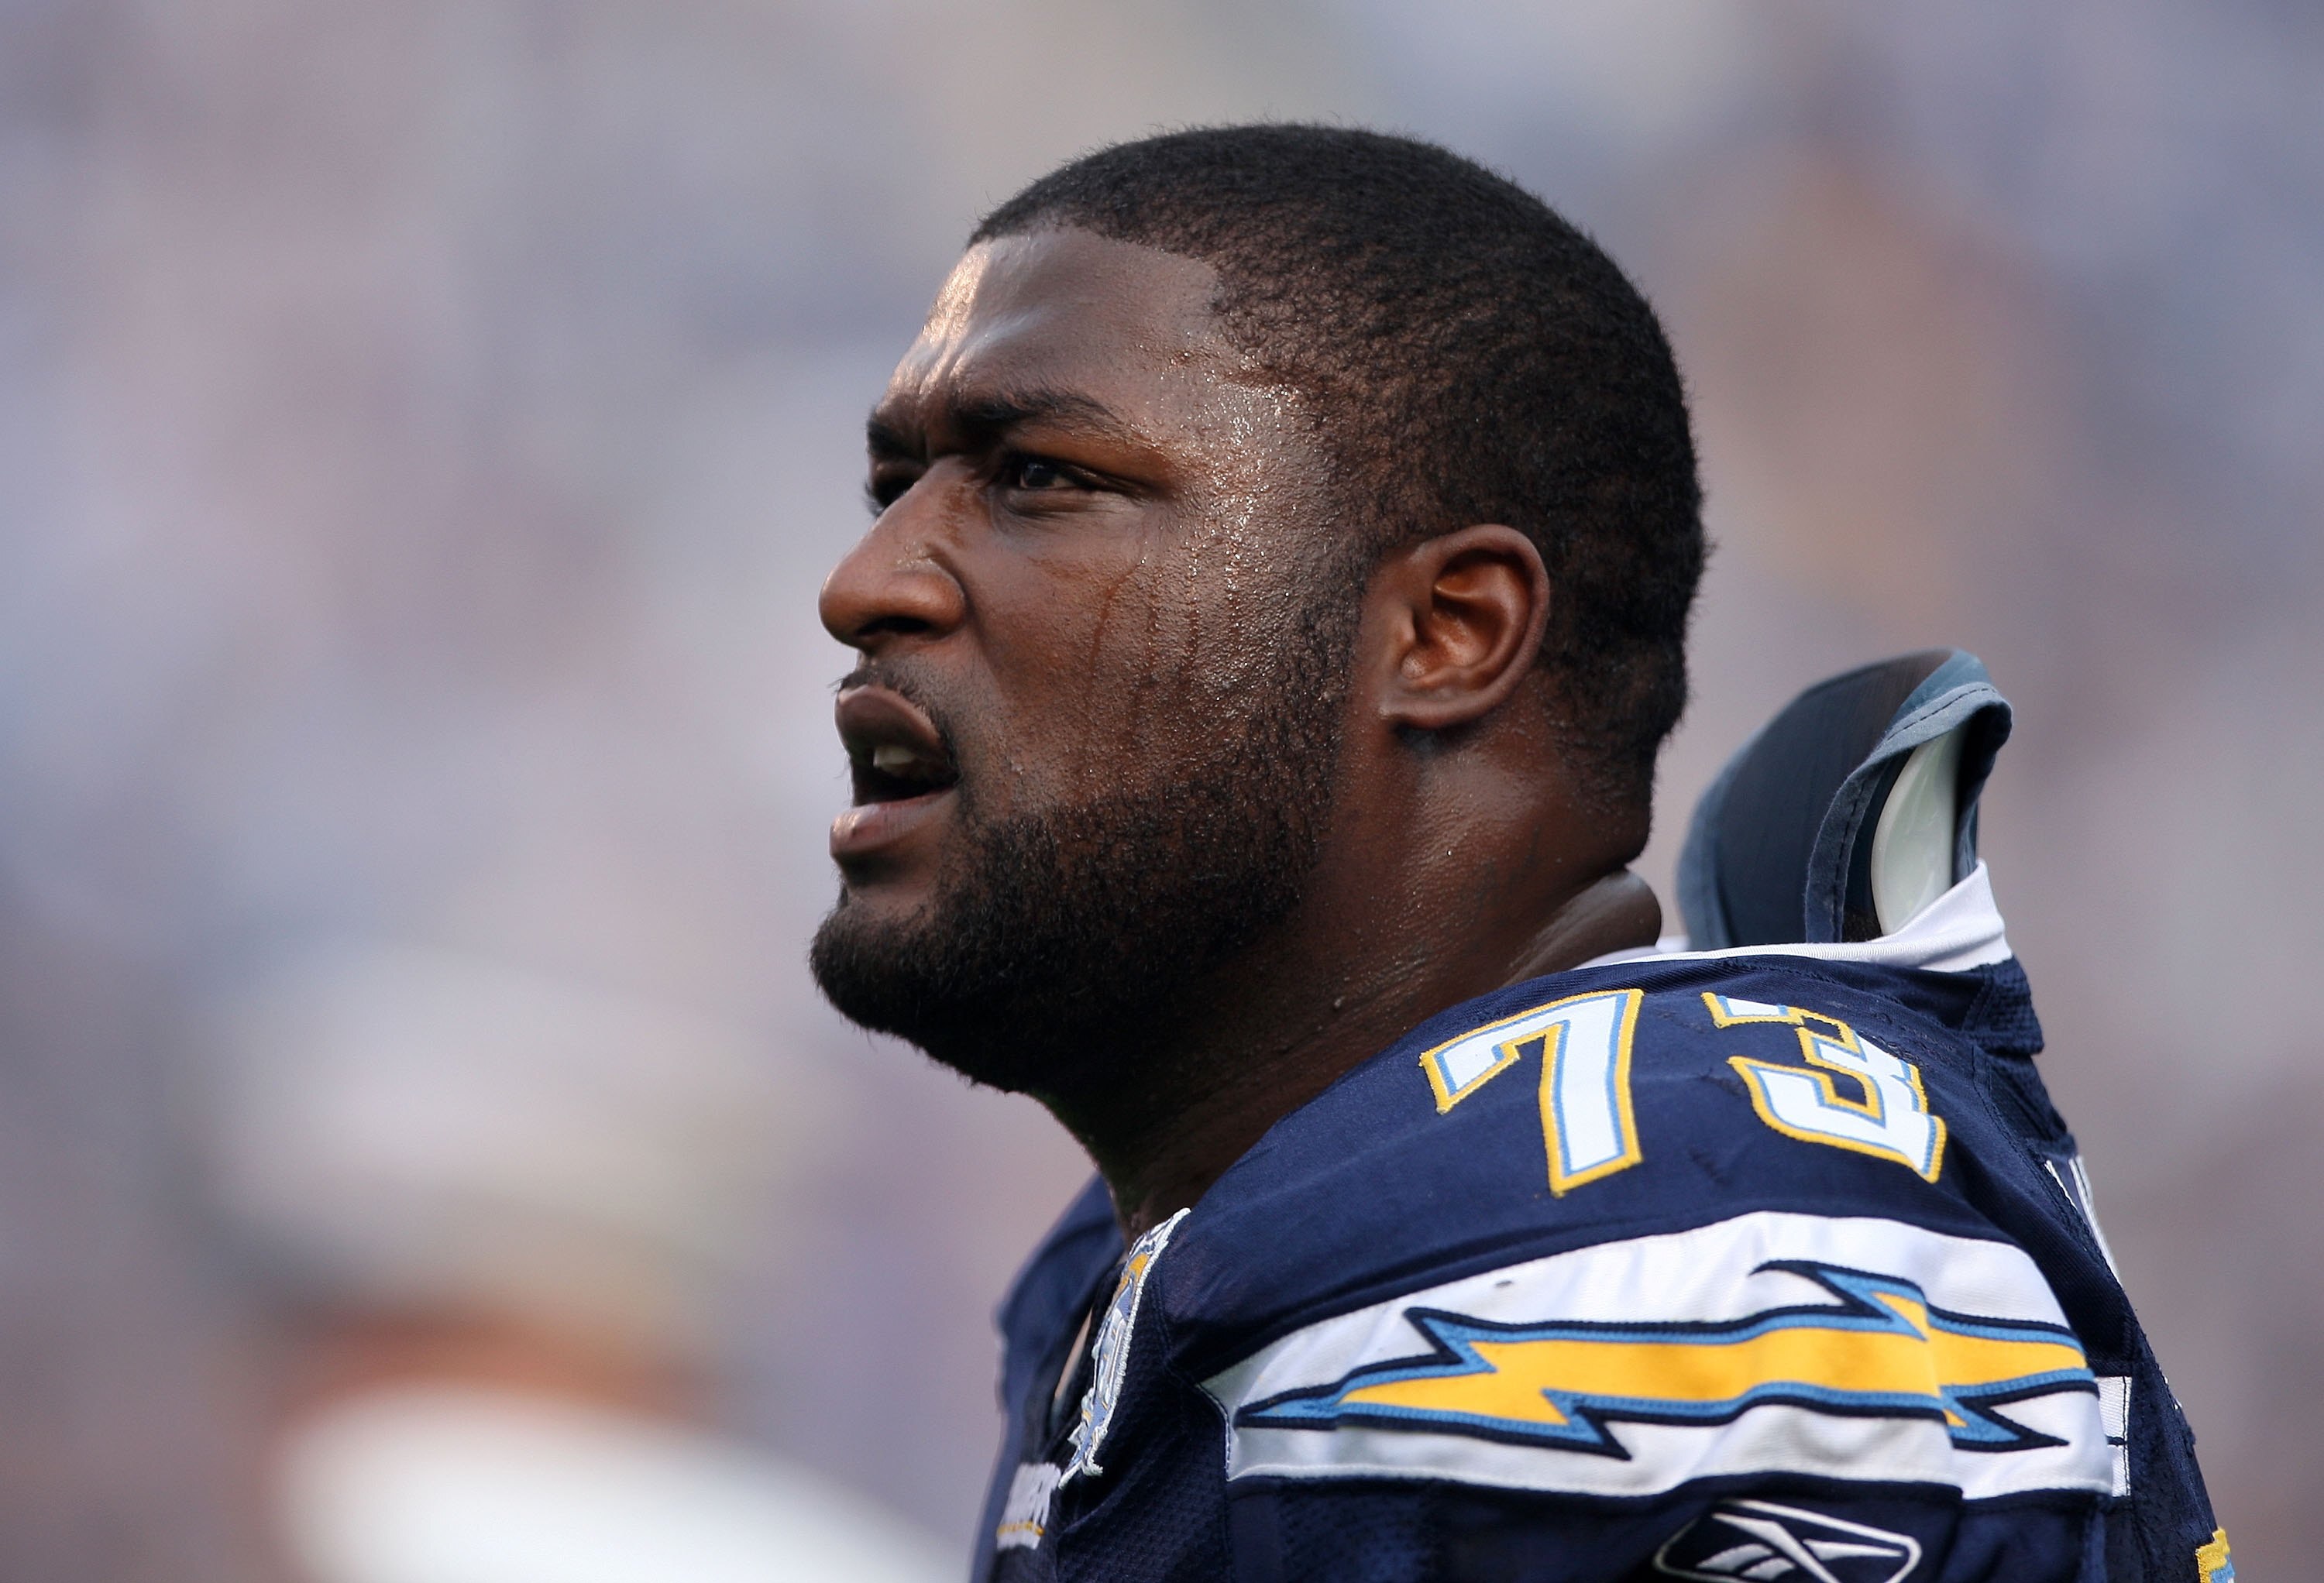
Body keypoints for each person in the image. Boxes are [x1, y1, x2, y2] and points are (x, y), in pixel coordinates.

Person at [808, 125, 2227, 1582]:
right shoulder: (1229, 1252)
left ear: (1448, 634)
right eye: (891, 487)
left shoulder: (1633, 1256)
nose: (863, 585)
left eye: (1041, 475)